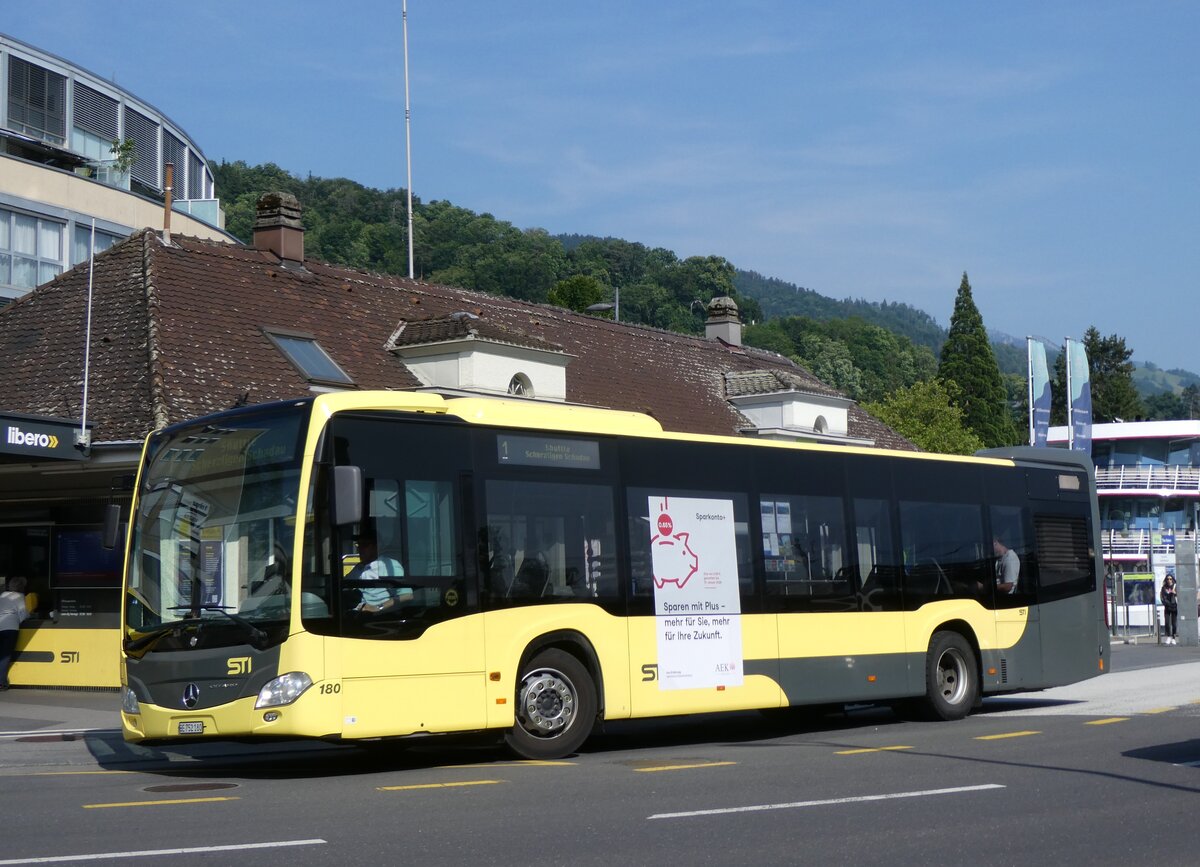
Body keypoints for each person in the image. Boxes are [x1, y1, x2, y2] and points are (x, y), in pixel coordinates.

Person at [348, 530, 410, 614]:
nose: (360, 549)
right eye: (358, 545)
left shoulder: (390, 566)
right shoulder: (358, 567)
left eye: (364, 545)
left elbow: (407, 596)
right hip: (357, 613)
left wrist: (378, 608)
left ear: (376, 547)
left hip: (380, 617)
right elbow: (344, 587)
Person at [0, 576, 32, 691]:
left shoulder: (2, 595)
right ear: (22, 587)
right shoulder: (19, 596)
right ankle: (1, 682)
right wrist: (30, 615)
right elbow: (23, 614)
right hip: (10, 627)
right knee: (5, 655)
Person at [1160, 573, 1179, 645]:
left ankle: (1173, 637)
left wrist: (1175, 593)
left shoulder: (1175, 587)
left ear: (1172, 579)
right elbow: (1162, 597)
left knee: (1174, 623)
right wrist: (1166, 603)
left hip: (1174, 607)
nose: (1169, 580)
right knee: (1167, 623)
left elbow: (1180, 596)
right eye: (1168, 579)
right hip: (1167, 607)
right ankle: (1168, 636)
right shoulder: (1164, 588)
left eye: (1170, 579)